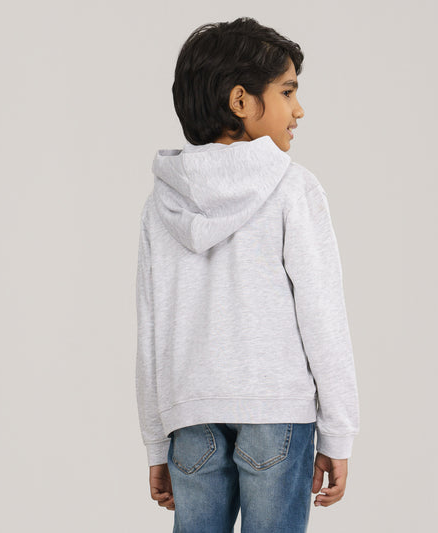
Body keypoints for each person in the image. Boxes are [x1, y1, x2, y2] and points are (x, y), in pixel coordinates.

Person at [135, 16, 360, 533]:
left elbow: (150, 330)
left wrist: (155, 441)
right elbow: (322, 316)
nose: (299, 110)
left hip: (190, 415)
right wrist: (338, 433)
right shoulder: (293, 188)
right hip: (276, 410)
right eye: (287, 92)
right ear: (241, 100)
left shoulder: (161, 203)